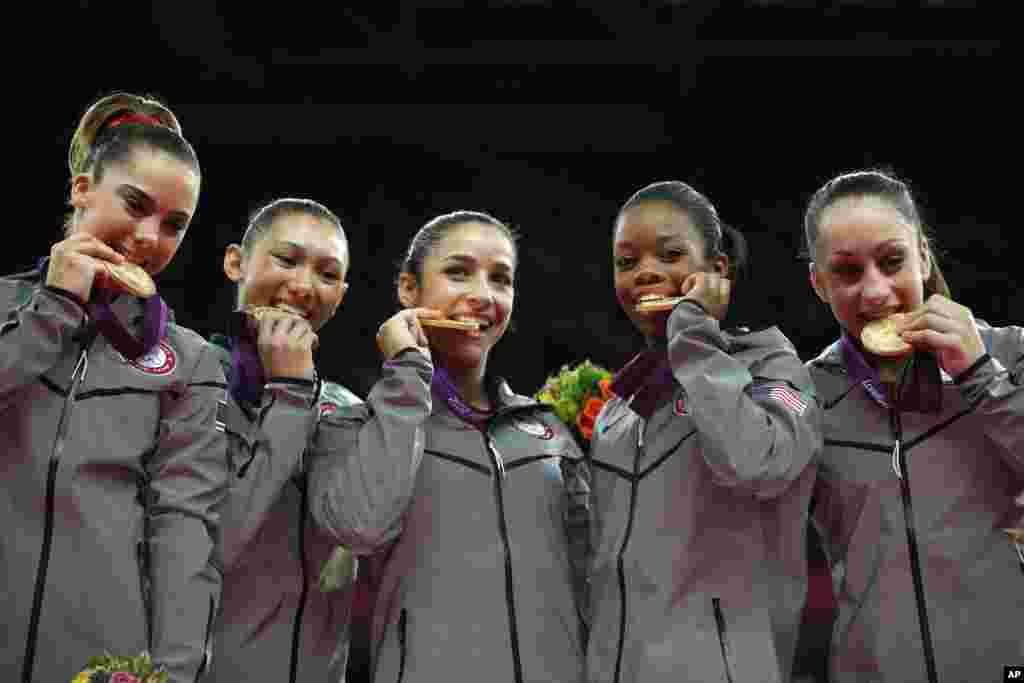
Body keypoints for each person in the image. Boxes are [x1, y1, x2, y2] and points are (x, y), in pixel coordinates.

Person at [0, 92, 226, 682]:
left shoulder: (191, 362)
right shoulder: (2, 307)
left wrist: (172, 674)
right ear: (81, 190)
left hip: (101, 665)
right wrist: (52, 309)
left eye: (174, 224)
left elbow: (183, 532)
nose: (149, 237)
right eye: (134, 204)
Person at [308, 210, 589, 683]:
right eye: (458, 272)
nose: (482, 295)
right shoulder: (359, 427)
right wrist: (406, 375)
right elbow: (358, 528)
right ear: (409, 291)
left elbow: (596, 580)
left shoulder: (550, 429)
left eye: (500, 279)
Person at [586, 181, 821, 683]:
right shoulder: (617, 408)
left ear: (717, 272)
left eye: (671, 255)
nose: (645, 272)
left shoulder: (774, 372)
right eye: (626, 262)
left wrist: (693, 331)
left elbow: (754, 462)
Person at [803, 169, 1024, 682]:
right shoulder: (804, 397)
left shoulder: (1009, 354)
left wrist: (978, 375)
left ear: (922, 255)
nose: (876, 292)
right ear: (819, 284)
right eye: (847, 272)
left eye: (892, 261)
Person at [205, 198, 363, 682]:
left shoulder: (348, 410)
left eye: (327, 274)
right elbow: (206, 550)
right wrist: (289, 396)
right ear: (236, 262)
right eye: (287, 260)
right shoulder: (184, 380)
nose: (303, 286)